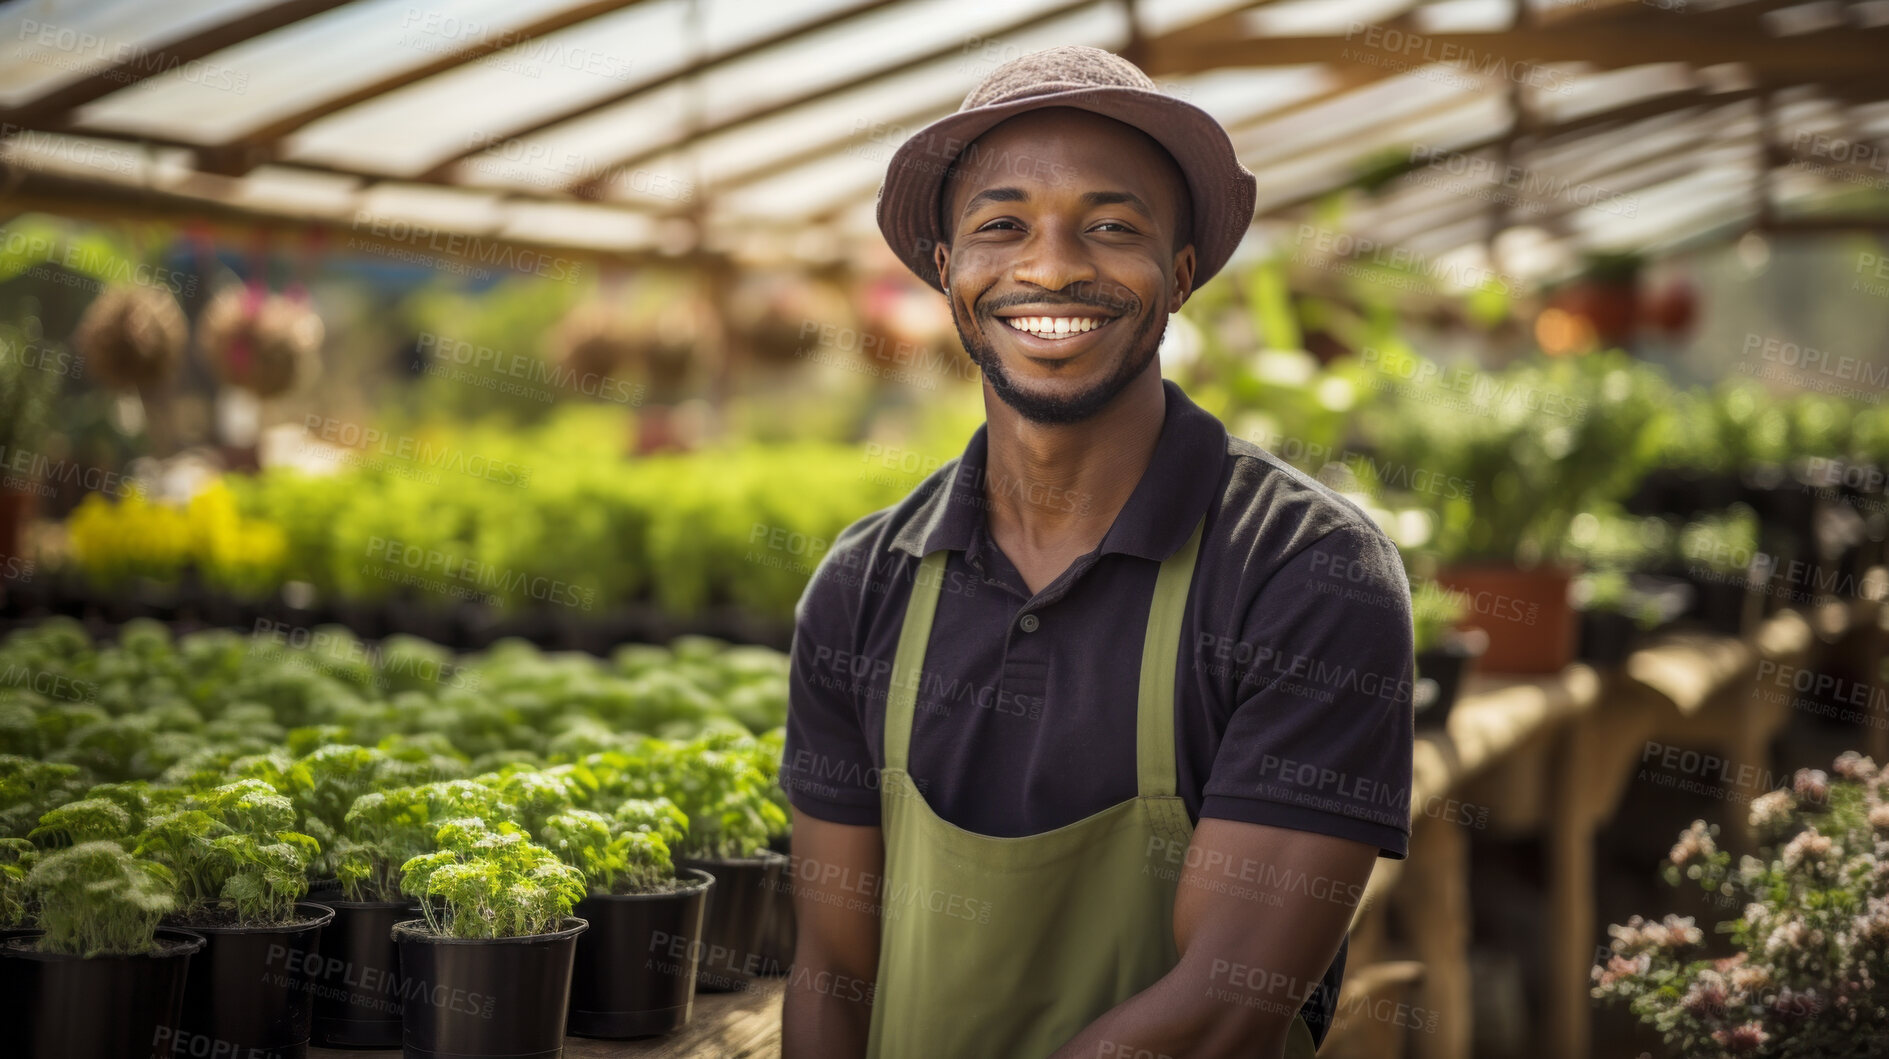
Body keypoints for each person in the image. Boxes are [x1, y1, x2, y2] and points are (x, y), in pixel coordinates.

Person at [779, 44, 1415, 1059]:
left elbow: (1217, 1008)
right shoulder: (861, 590)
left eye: (1111, 227)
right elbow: (830, 973)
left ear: (1179, 275)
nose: (1051, 266)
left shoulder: (1305, 576)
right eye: (1000, 226)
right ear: (947, 272)